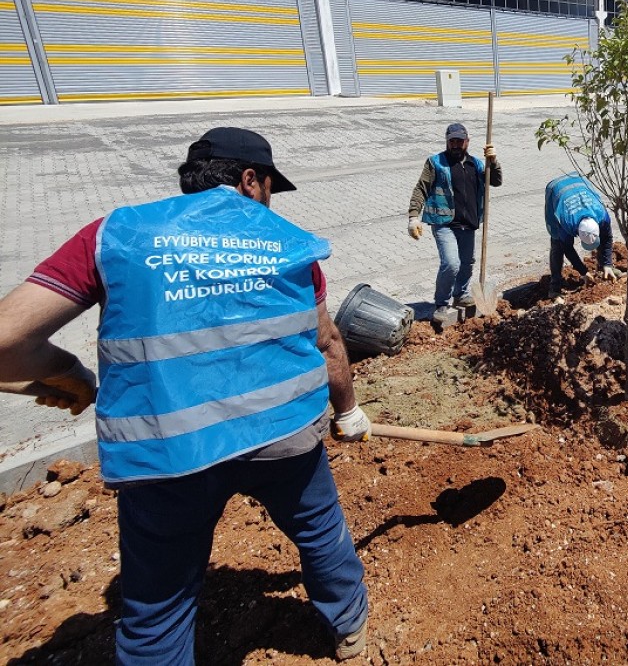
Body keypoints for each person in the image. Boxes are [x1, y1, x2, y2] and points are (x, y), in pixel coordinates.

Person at [0, 127, 372, 663]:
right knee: (320, 532)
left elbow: (9, 340)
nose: (270, 202)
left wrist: (66, 373)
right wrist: (348, 411)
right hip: (283, 437)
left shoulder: (116, 235)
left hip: (169, 453)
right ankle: (349, 625)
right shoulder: (290, 243)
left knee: (157, 604)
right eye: (270, 186)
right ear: (250, 181)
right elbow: (329, 342)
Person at [407, 122, 501, 324]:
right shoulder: (435, 163)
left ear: (467, 142)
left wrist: (493, 161)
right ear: (447, 142)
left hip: (468, 222)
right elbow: (420, 189)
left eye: (460, 141)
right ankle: (441, 303)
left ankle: (461, 293)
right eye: (453, 141)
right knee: (451, 263)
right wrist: (413, 216)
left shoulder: (476, 164)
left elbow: (495, 181)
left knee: (467, 263)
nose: (456, 144)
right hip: (443, 223)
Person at [544, 172, 622, 300]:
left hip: (578, 181)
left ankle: (606, 269)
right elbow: (568, 249)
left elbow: (607, 238)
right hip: (556, 190)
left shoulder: (602, 216)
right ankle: (555, 287)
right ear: (577, 232)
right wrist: (583, 272)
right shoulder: (565, 223)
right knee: (557, 244)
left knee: (604, 252)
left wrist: (607, 263)